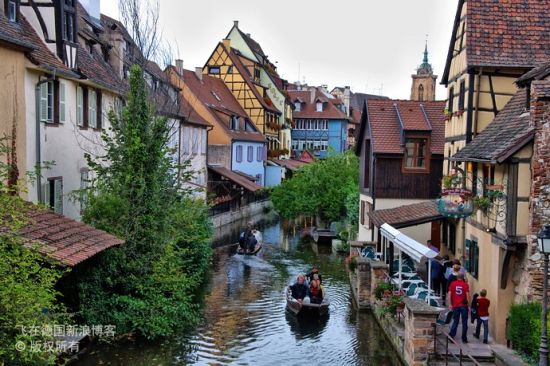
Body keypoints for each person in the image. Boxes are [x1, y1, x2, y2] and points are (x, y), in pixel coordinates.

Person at [448, 272, 470, 343]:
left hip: (456, 305)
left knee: (455, 321)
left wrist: (450, 304)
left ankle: (451, 335)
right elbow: (467, 296)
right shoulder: (465, 285)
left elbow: (449, 294)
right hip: (463, 306)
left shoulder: (453, 283)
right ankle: (464, 338)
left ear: (457, 277)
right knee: (465, 322)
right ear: (463, 277)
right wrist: (468, 305)